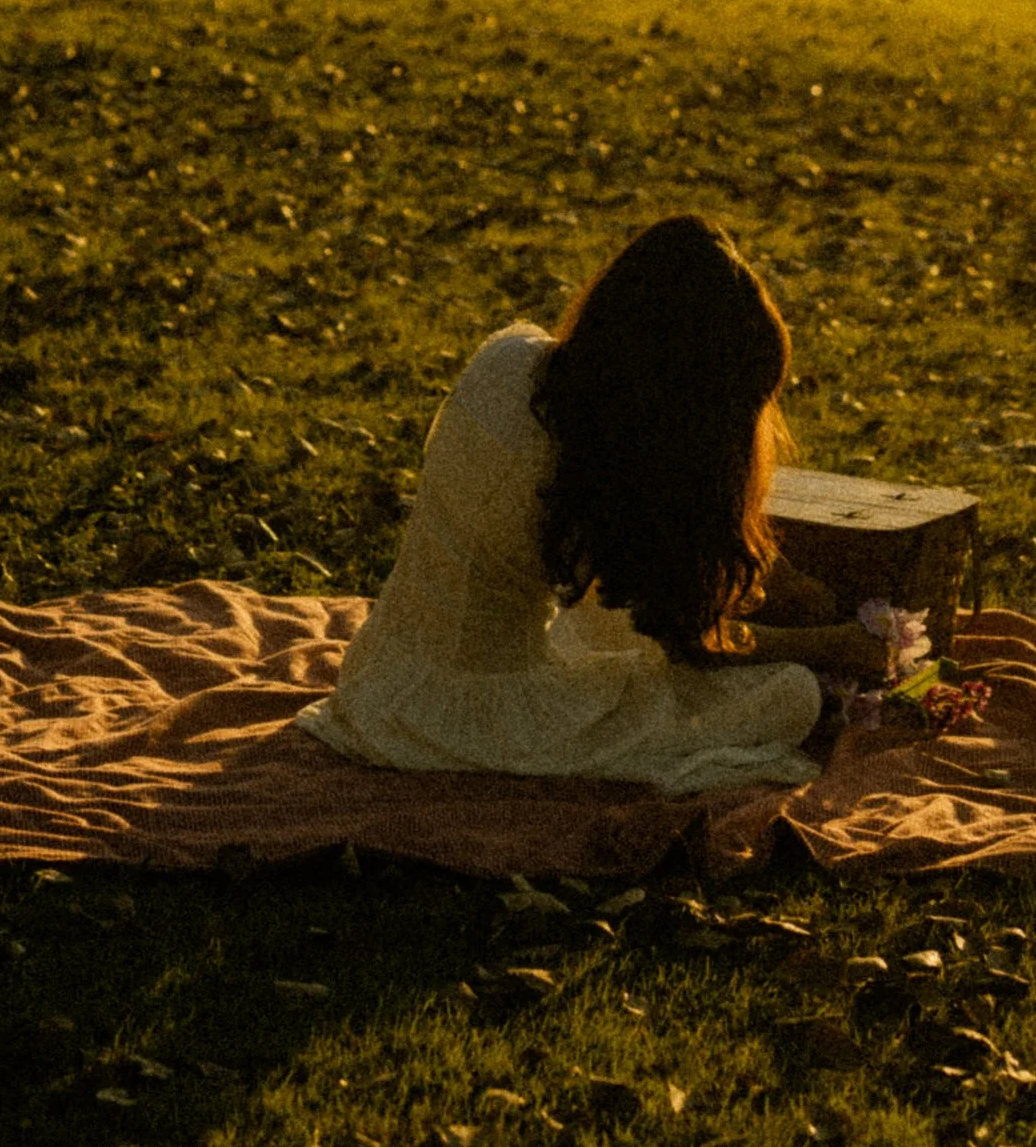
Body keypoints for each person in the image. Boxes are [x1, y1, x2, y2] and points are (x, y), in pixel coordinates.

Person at [299, 213, 888, 795]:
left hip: (379, 678)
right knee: (790, 694)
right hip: (480, 716)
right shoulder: (609, 466)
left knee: (602, 620)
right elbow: (695, 644)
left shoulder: (508, 362)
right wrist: (832, 646)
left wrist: (787, 585)